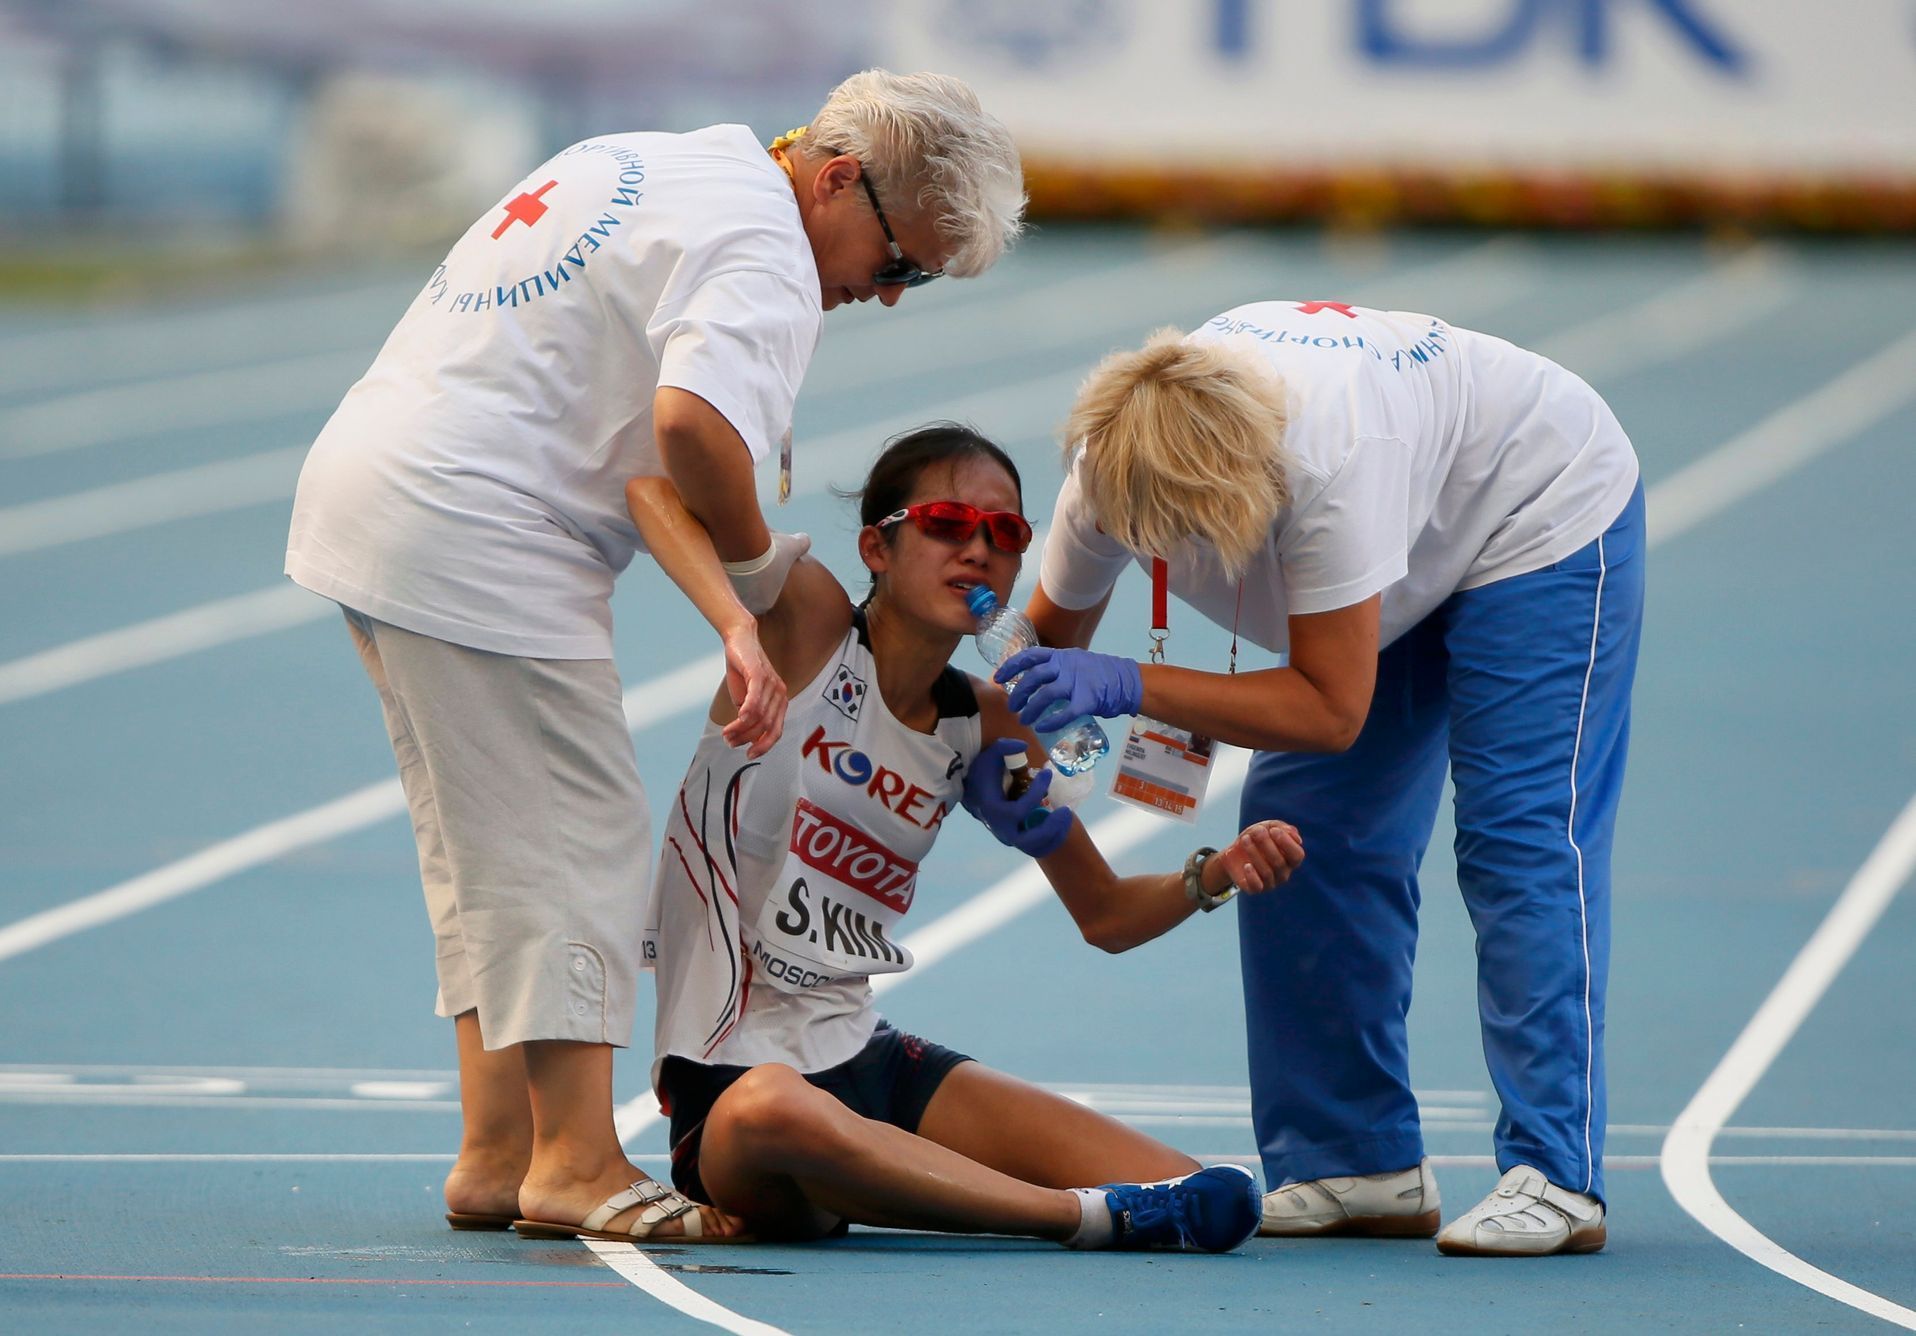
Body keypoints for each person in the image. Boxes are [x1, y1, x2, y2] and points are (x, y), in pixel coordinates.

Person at [282, 71, 1025, 1241]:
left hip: (376, 495)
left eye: (915, 284)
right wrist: (755, 588)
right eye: (897, 264)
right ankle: (573, 1162)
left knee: (485, 853)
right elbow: (688, 427)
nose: (885, 296)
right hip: (478, 531)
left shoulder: (678, 162)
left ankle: (499, 1150)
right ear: (835, 180)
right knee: (577, 837)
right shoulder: (771, 253)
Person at [1000, 304, 1644, 1257]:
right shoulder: (1108, 459)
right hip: (1403, 517)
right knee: (1297, 837)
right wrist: (995, 744)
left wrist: (1132, 682)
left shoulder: (1330, 466)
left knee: (1519, 841)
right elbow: (1044, 643)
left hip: (1530, 515)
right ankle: (1356, 1160)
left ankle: (1556, 1173)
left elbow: (1331, 711)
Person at [605, 423, 1304, 1249]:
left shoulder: (984, 722)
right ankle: (1078, 1219)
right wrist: (735, 628)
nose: (976, 549)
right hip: (733, 1086)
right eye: (945, 521)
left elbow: (1107, 913)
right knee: (774, 1108)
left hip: (865, 1060)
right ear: (877, 545)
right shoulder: (807, 625)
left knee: (1205, 1189)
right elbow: (653, 489)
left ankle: (1041, 1195)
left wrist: (1214, 872)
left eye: (1003, 534)